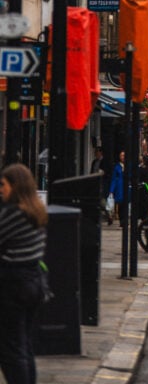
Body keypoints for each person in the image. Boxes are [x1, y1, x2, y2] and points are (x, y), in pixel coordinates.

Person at [0, 163, 48, 384]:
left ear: (15, 186)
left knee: (11, 350)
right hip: (34, 283)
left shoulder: (12, 214)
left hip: (13, 286)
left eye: (3, 185)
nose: (1, 189)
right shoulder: (36, 211)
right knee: (24, 345)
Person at [109, 151, 126, 224]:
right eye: (122, 155)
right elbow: (113, 179)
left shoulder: (128, 166)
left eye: (124, 155)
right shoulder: (117, 167)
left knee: (125, 204)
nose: (123, 157)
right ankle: (121, 219)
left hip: (126, 186)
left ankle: (124, 219)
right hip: (119, 187)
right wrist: (111, 190)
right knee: (120, 203)